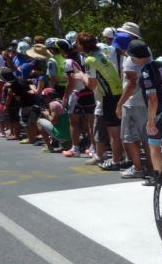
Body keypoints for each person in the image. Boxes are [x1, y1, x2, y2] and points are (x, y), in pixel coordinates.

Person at [76, 32, 125, 170]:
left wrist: (81, 76)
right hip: (115, 93)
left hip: (109, 96)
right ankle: (118, 157)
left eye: (77, 43)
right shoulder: (101, 54)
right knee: (116, 130)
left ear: (82, 45)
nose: (76, 46)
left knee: (114, 132)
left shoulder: (90, 60)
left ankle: (115, 161)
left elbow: (92, 85)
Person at [114, 23, 150, 179]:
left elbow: (131, 83)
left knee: (128, 138)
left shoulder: (131, 58)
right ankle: (152, 168)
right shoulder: (147, 51)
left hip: (132, 103)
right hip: (148, 100)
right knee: (147, 138)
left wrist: (119, 104)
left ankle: (137, 168)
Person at [135, 41, 162, 180]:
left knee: (154, 144)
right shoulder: (158, 64)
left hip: (158, 110)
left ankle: (158, 177)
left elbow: (153, 98)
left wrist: (151, 121)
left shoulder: (146, 71)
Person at [59, 38, 96, 158]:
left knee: (74, 122)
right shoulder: (85, 57)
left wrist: (65, 98)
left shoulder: (68, 62)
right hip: (90, 92)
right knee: (91, 123)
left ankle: (75, 148)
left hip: (77, 94)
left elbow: (71, 82)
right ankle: (93, 148)